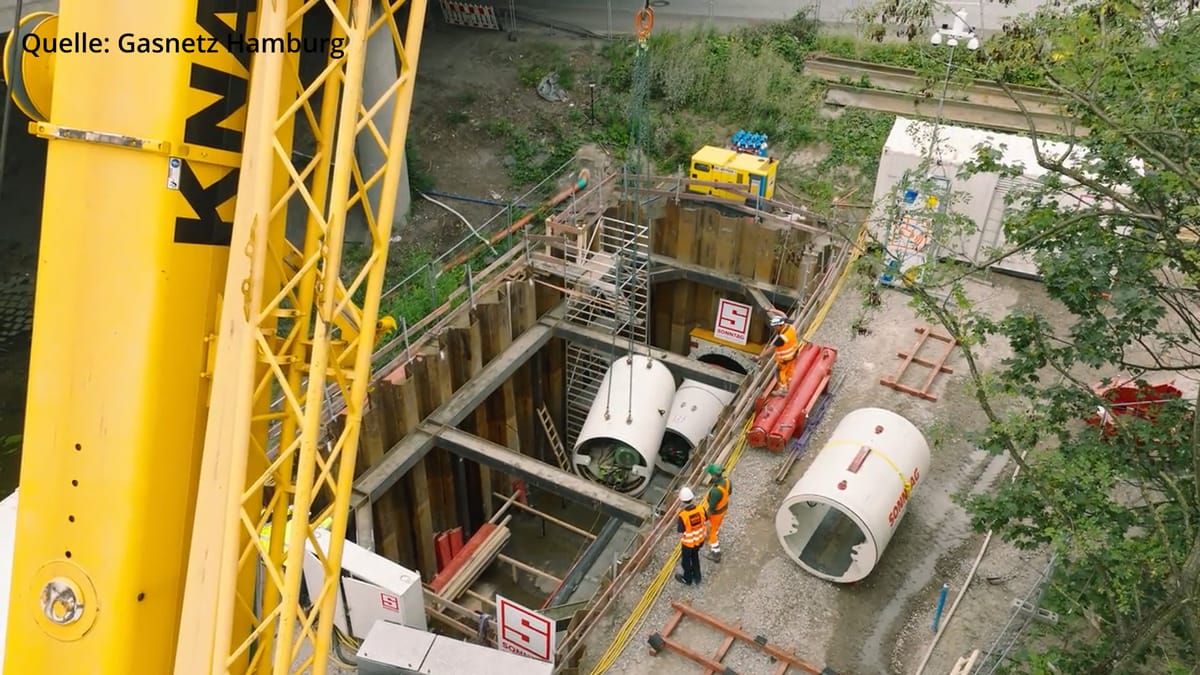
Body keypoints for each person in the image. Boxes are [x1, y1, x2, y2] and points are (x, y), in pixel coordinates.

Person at [759, 310, 799, 396]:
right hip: (793, 354)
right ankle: (787, 384)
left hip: (785, 358)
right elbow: (782, 314)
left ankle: (783, 390)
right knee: (789, 371)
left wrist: (760, 356)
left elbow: (772, 348)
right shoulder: (789, 326)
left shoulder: (782, 337)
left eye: (775, 326)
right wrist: (771, 310)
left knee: (780, 372)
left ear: (779, 325)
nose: (774, 328)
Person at [675, 486, 707, 586]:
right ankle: (697, 577)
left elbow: (681, 534)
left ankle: (687, 579)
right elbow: (707, 522)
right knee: (695, 557)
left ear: (682, 501)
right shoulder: (701, 509)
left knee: (685, 562)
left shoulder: (683, 516)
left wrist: (678, 515)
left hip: (688, 544)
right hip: (699, 541)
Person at [702, 464, 731, 562]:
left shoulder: (715, 491)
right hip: (724, 509)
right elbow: (729, 492)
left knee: (711, 531)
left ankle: (716, 552)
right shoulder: (727, 481)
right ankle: (716, 531)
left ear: (714, 475)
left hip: (716, 513)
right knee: (716, 525)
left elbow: (712, 508)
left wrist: (705, 517)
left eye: (711, 474)